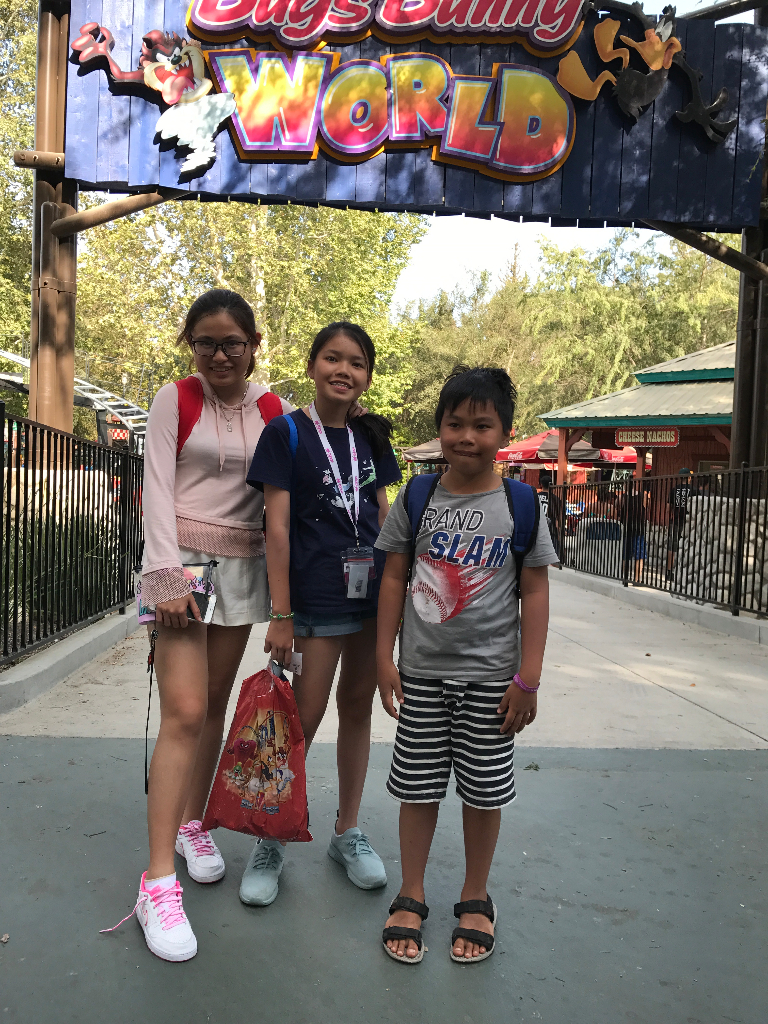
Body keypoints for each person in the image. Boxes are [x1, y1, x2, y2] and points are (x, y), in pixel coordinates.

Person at [103, 289, 292, 962]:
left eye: (231, 343)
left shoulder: (274, 409)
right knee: (183, 711)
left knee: (210, 704)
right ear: (191, 345)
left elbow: (299, 472)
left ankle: (192, 822)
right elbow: (156, 488)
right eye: (205, 342)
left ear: (254, 345)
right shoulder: (174, 399)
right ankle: (157, 883)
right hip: (180, 566)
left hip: (241, 568)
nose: (218, 355)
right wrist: (164, 578)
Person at [375, 366, 557, 965]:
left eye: (482, 425)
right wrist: (383, 658)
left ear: (504, 432)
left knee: (483, 793)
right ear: (440, 429)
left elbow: (535, 591)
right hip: (422, 675)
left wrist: (529, 677)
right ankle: (412, 891)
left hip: (493, 682)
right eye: (455, 423)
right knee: (417, 789)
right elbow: (394, 578)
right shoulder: (418, 497)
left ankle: (476, 897)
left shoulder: (520, 504)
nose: (467, 437)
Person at [244, 321, 401, 906]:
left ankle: (346, 831)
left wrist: (399, 595)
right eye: (333, 358)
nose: (344, 370)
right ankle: (271, 838)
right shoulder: (285, 433)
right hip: (314, 596)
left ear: (368, 376)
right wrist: (281, 613)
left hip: (370, 596)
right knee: (301, 720)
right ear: (312, 366)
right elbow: (276, 529)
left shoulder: (371, 436)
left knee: (357, 706)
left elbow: (384, 517)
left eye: (357, 363)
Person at [666, 468, 692, 579]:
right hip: (688, 522)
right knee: (687, 546)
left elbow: (668, 507)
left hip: (675, 520)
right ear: (689, 477)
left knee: (672, 546)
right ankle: (684, 571)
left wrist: (671, 515)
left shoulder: (674, 489)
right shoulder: (693, 490)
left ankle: (669, 571)